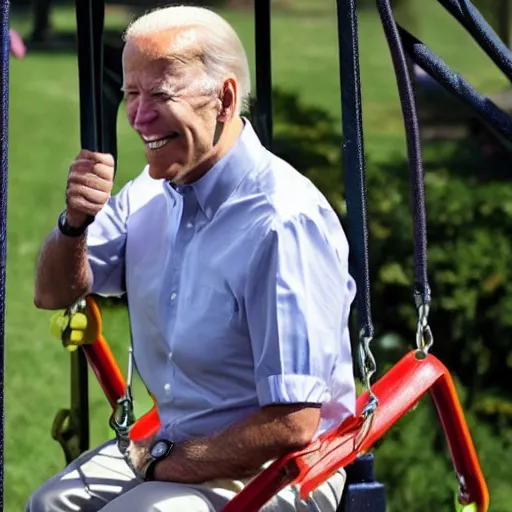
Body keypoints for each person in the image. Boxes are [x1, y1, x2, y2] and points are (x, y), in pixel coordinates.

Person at [27, 5, 357, 512]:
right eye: (130, 94)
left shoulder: (282, 221)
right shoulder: (150, 194)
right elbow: (51, 292)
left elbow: (292, 425)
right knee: (48, 504)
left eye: (160, 94)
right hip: (177, 437)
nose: (137, 117)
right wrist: (75, 222)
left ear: (223, 99)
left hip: (288, 470)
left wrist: (160, 463)